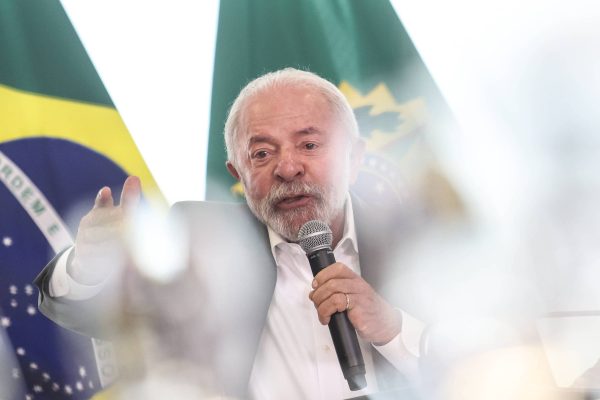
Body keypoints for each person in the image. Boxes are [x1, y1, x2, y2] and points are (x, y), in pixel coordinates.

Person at [35, 68, 424, 399]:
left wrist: (394, 329)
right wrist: (90, 265)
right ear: (239, 175)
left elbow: (460, 362)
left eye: (308, 144)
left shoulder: (414, 238)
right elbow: (91, 312)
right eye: (262, 154)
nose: (288, 168)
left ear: (353, 159)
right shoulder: (202, 243)